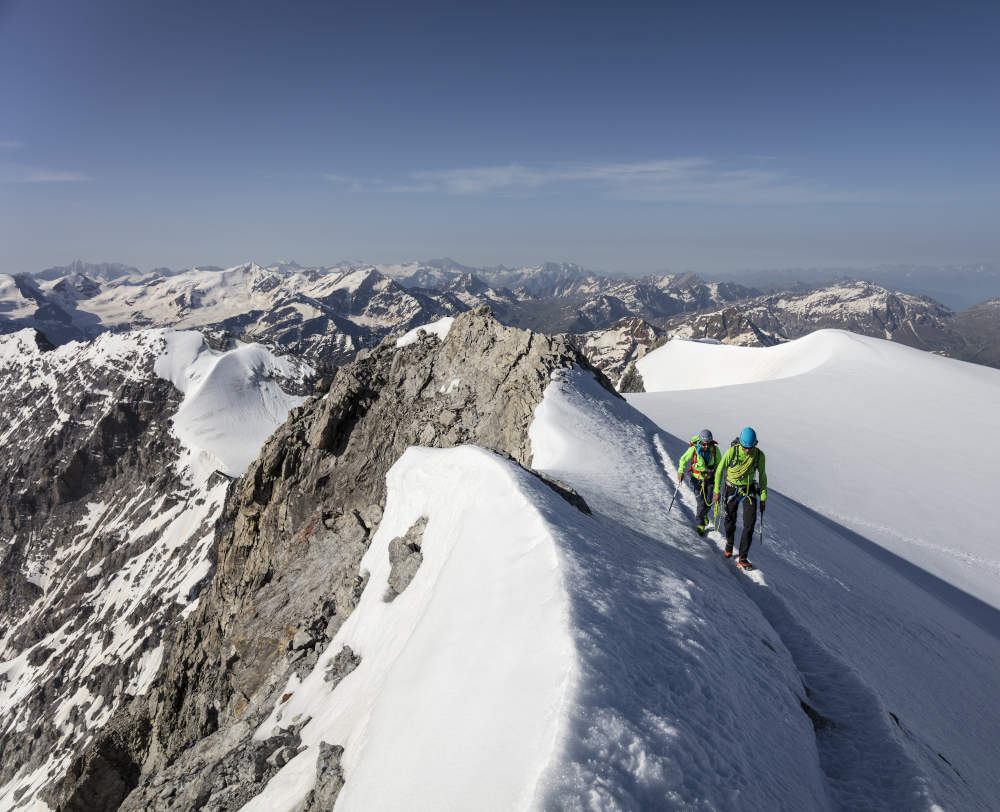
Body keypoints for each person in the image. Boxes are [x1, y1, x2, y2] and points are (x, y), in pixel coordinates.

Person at [713, 426, 767, 569]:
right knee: (730, 520)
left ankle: (743, 557)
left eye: (750, 447)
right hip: (731, 489)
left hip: (748, 490)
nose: (747, 450)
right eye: (745, 447)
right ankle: (729, 543)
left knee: (749, 524)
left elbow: (762, 476)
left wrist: (763, 497)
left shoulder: (759, 456)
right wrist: (716, 491)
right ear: (740, 444)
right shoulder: (732, 452)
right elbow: (719, 471)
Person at [677, 429, 721, 535]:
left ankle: (704, 514)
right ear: (700, 442)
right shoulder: (693, 450)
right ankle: (701, 523)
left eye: (708, 444)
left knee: (710, 500)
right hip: (697, 480)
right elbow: (683, 459)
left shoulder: (715, 450)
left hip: (710, 479)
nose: (706, 446)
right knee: (701, 502)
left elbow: (719, 465)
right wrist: (681, 471)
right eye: (704, 444)